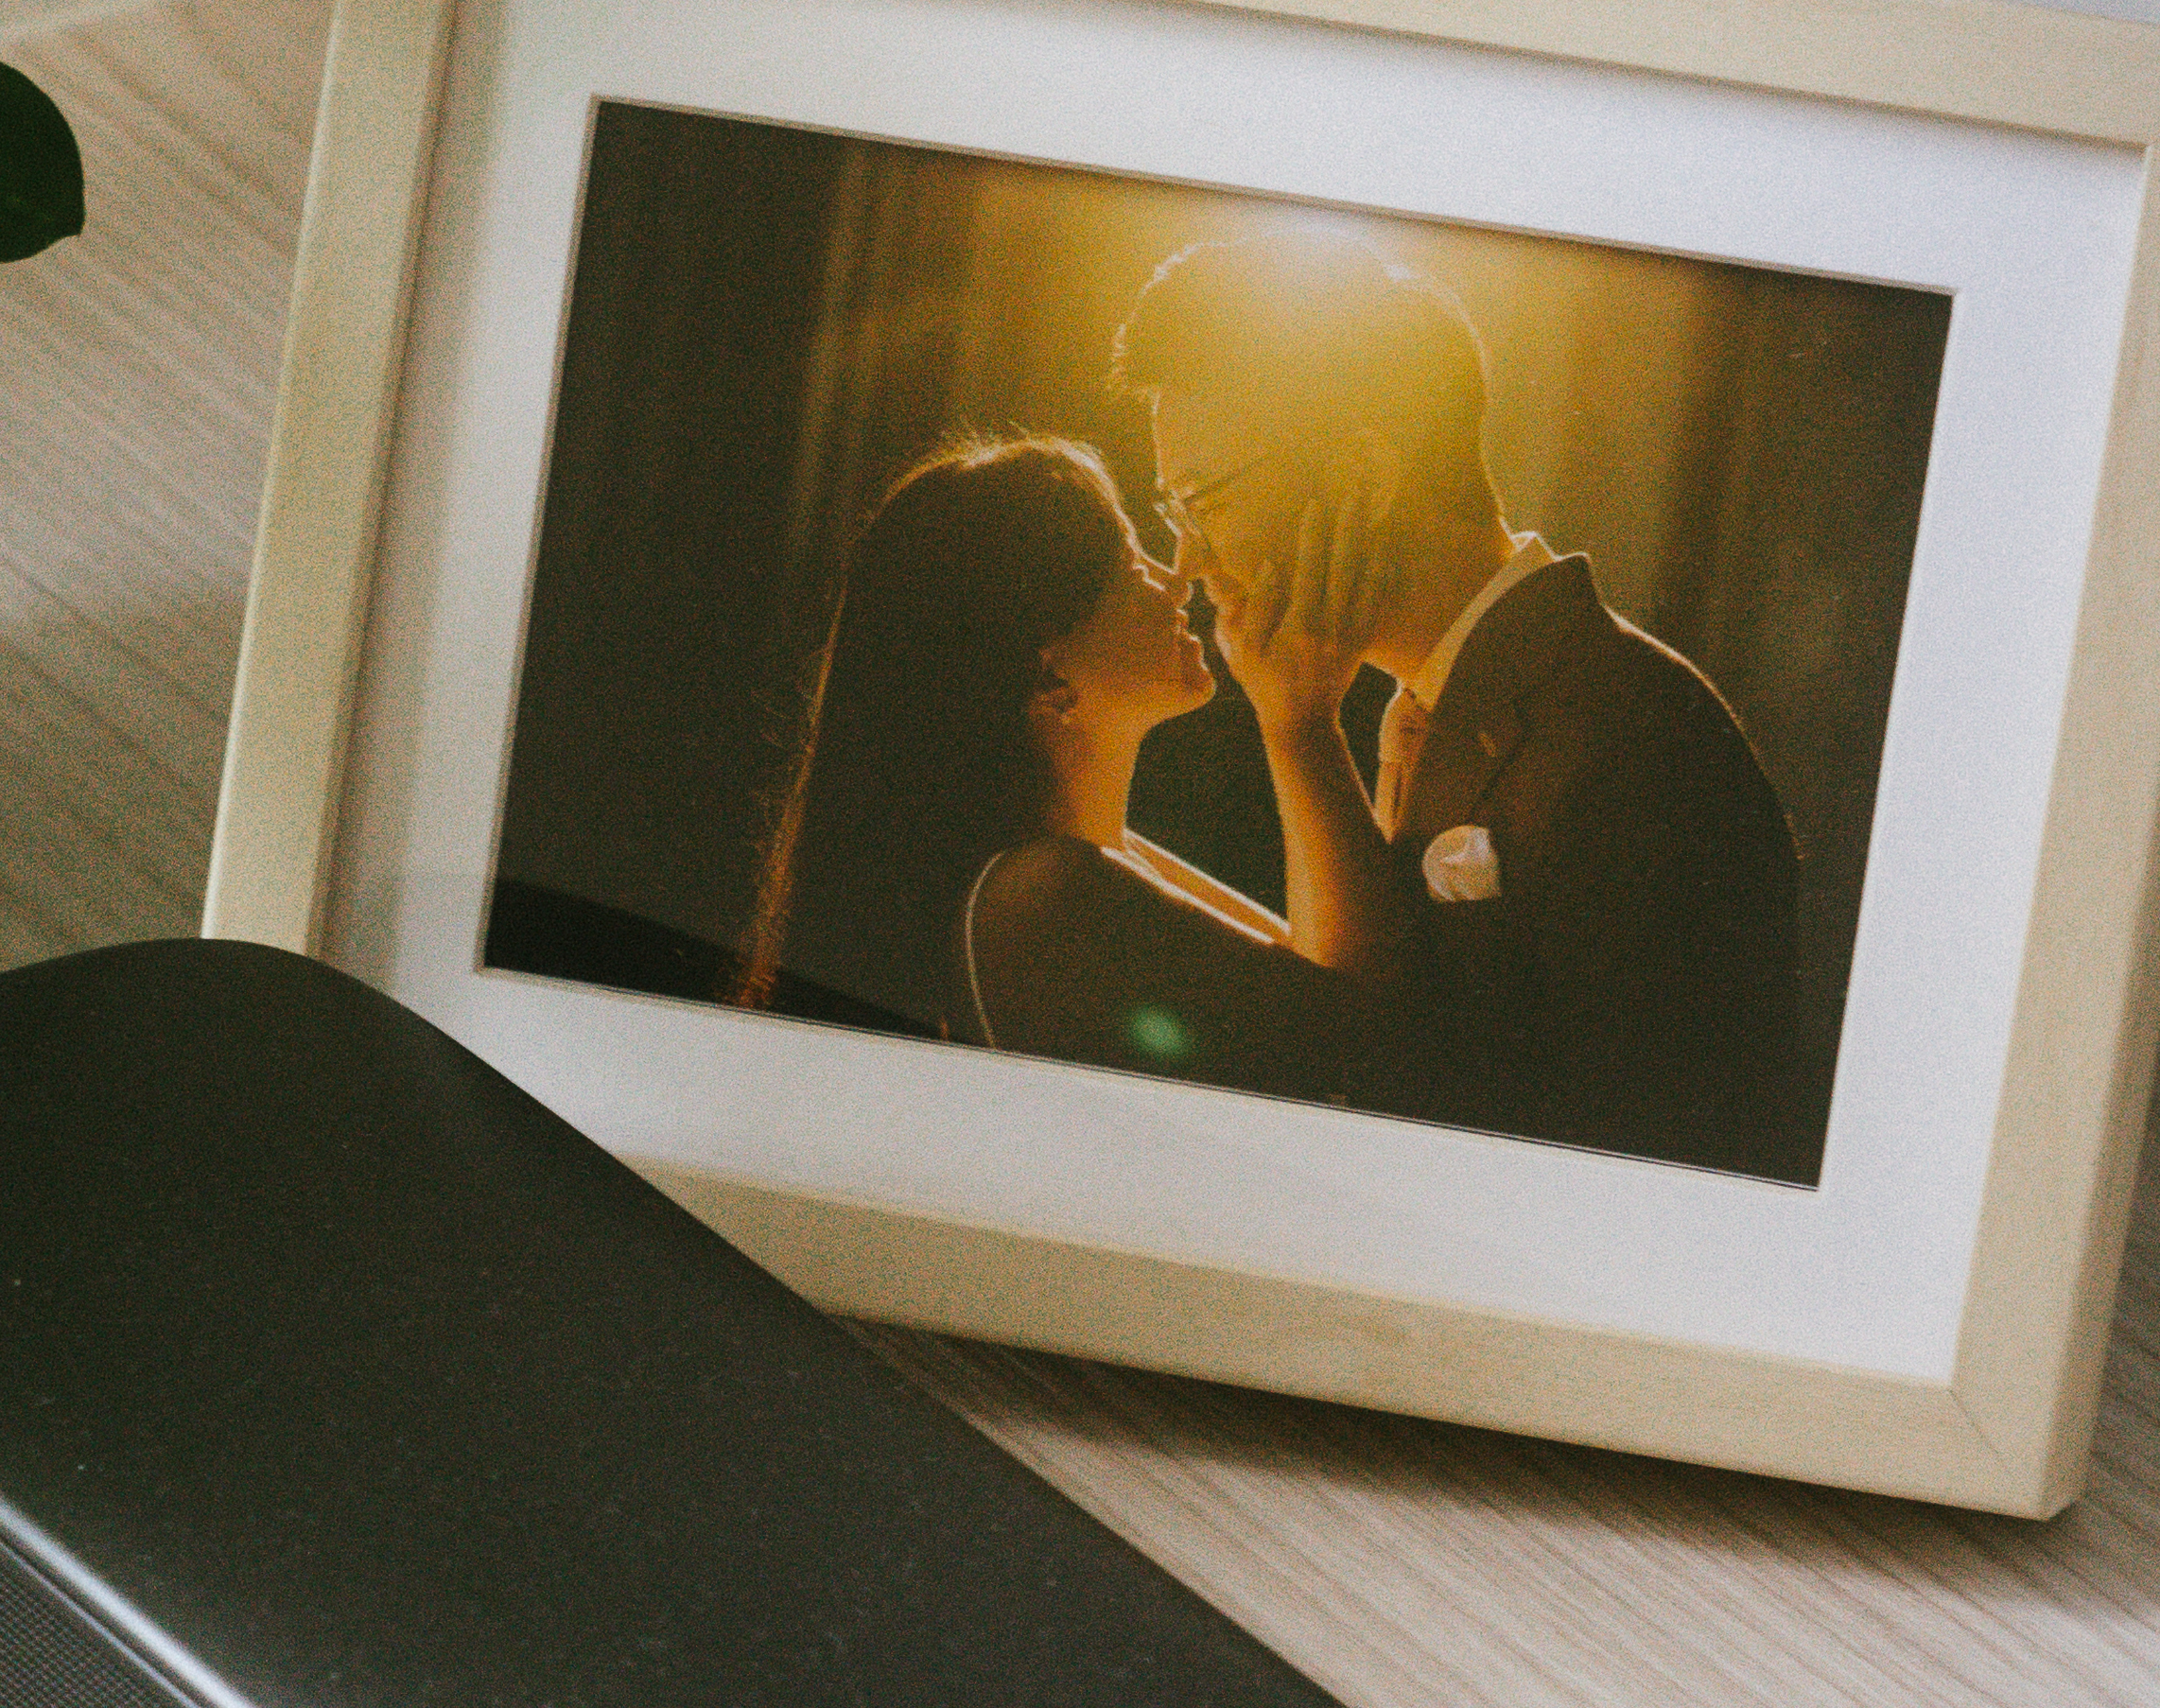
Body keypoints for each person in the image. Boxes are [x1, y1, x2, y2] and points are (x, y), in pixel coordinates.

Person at [1109, 228, 1809, 1177]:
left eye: (1203, 497)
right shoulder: (1433, 707)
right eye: (1171, 511)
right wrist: (1294, 726)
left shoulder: (1620, 733)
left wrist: (1297, 729)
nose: (1189, 559)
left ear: (1363, 472)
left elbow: (1375, 1066)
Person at [740, 430, 1419, 1097]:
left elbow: (1321, 972)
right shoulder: (1046, 894)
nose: (1177, 579)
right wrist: (1299, 720)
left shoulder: (1102, 858)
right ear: (1046, 671)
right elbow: (1374, 1048)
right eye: (1130, 565)